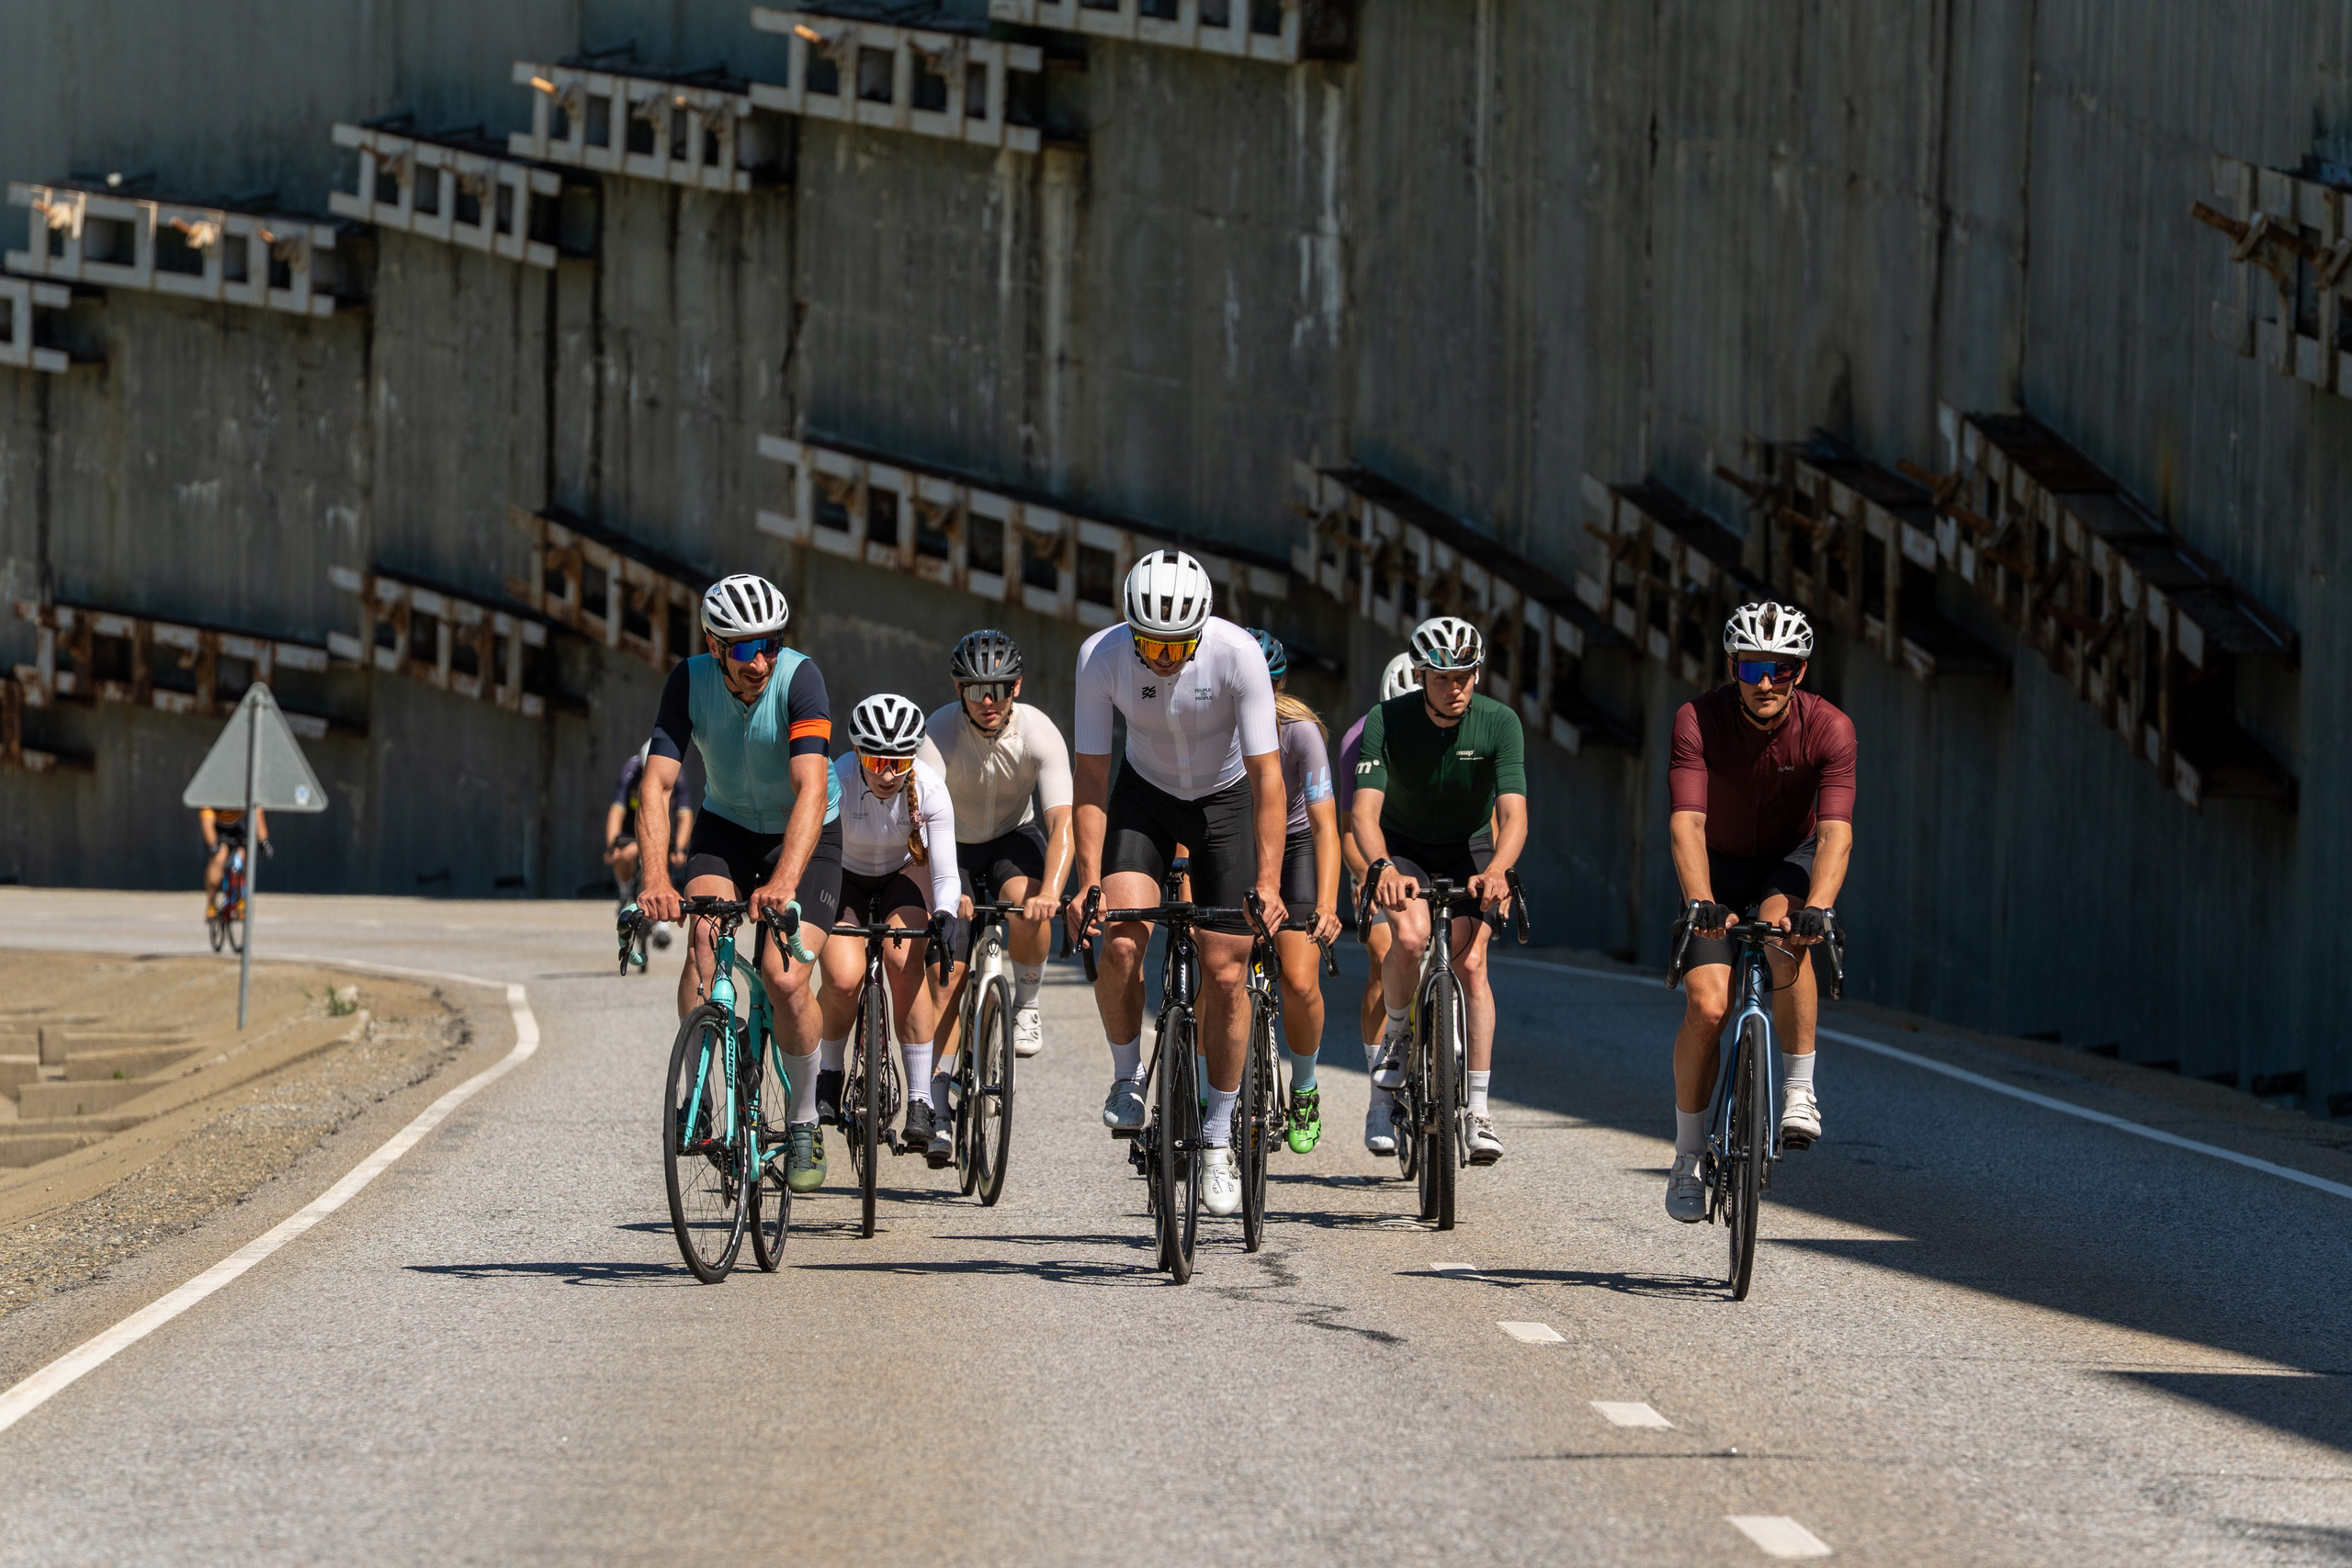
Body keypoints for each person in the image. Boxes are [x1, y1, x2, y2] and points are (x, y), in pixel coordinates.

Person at [1065, 550, 1287, 1220]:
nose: (1162, 656)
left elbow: (1269, 779)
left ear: (1202, 628)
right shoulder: (1100, 657)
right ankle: (1129, 1074)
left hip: (1224, 804)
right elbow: (1091, 779)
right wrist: (1086, 881)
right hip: (1145, 797)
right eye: (1149, 642)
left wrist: (1270, 881)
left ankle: (1219, 1133)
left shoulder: (1237, 654)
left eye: (1176, 644)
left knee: (1225, 972)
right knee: (1123, 941)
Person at [634, 573, 844, 1196]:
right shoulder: (689, 680)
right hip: (725, 825)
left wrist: (783, 880)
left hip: (804, 832)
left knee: (783, 976)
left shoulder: (799, 679)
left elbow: (809, 786)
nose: (761, 661)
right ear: (715, 644)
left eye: (771, 644)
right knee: (705, 937)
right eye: (746, 648)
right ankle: (700, 1095)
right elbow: (657, 784)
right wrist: (654, 876)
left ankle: (805, 1118)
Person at [1661, 602, 1854, 1224]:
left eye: (1781, 668)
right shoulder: (1697, 719)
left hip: (1786, 863)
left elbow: (1835, 834)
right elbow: (1686, 824)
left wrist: (1819, 908)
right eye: (1752, 669)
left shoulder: (1830, 728)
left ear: (1799, 671)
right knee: (1708, 1005)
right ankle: (1688, 1157)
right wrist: (1699, 902)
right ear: (1732, 667)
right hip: (1715, 864)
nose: (1766, 681)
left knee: (1784, 937)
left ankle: (1799, 1089)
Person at [1352, 615, 1527, 1167]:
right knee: (1408, 938)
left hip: (1469, 846)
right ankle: (1399, 1039)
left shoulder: (1500, 722)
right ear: (1422, 675)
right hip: (1402, 845)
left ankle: (1476, 1109)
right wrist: (1380, 867)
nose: (1457, 688)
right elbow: (1363, 812)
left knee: (1472, 965)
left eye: (1467, 676)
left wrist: (1499, 869)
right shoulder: (1386, 719)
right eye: (1443, 677)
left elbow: (1513, 814)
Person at [920, 628, 1075, 1086]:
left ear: (1017, 687)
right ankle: (936, 1091)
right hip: (955, 843)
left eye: (1000, 689)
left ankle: (1026, 1004)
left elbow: (1062, 822)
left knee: (1029, 907)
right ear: (958, 690)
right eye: (975, 690)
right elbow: (921, 821)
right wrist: (945, 890)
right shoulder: (938, 732)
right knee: (947, 973)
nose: (989, 702)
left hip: (1013, 835)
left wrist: (1050, 893)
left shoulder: (1038, 731)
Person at [815, 694, 963, 1160]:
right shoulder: (834, 779)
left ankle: (920, 1099)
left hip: (904, 874)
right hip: (844, 876)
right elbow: (814, 854)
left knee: (904, 962)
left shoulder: (932, 790)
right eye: (876, 760)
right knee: (842, 977)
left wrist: (945, 915)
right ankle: (830, 1073)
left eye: (898, 762)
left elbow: (944, 872)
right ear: (858, 753)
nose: (886, 773)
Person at [1248, 629, 1343, 1153]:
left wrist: (1328, 905)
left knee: (1301, 981)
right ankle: (1200, 1090)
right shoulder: (1210, 725)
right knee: (1211, 969)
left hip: (1297, 843)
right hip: (1236, 843)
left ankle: (1303, 1085)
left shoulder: (1302, 733)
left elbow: (1327, 825)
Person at [1337, 651, 1418, 1154]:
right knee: (1383, 955)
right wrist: (1370, 875)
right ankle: (1379, 1100)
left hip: (1437, 848)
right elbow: (1348, 829)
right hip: (1377, 849)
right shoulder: (1359, 738)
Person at [607, 742, 695, 949]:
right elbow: (617, 811)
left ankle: (663, 927)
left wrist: (680, 848)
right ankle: (625, 891)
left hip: (662, 825)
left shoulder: (676, 772)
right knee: (625, 855)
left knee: (663, 863)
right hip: (632, 827)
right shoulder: (631, 770)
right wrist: (613, 846)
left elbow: (685, 815)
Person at [200, 806, 268, 913]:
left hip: (238, 825)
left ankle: (241, 897)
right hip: (218, 827)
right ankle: (211, 903)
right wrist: (213, 845)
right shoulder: (213, 796)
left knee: (243, 856)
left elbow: (257, 812)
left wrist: (263, 842)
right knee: (219, 857)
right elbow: (207, 820)